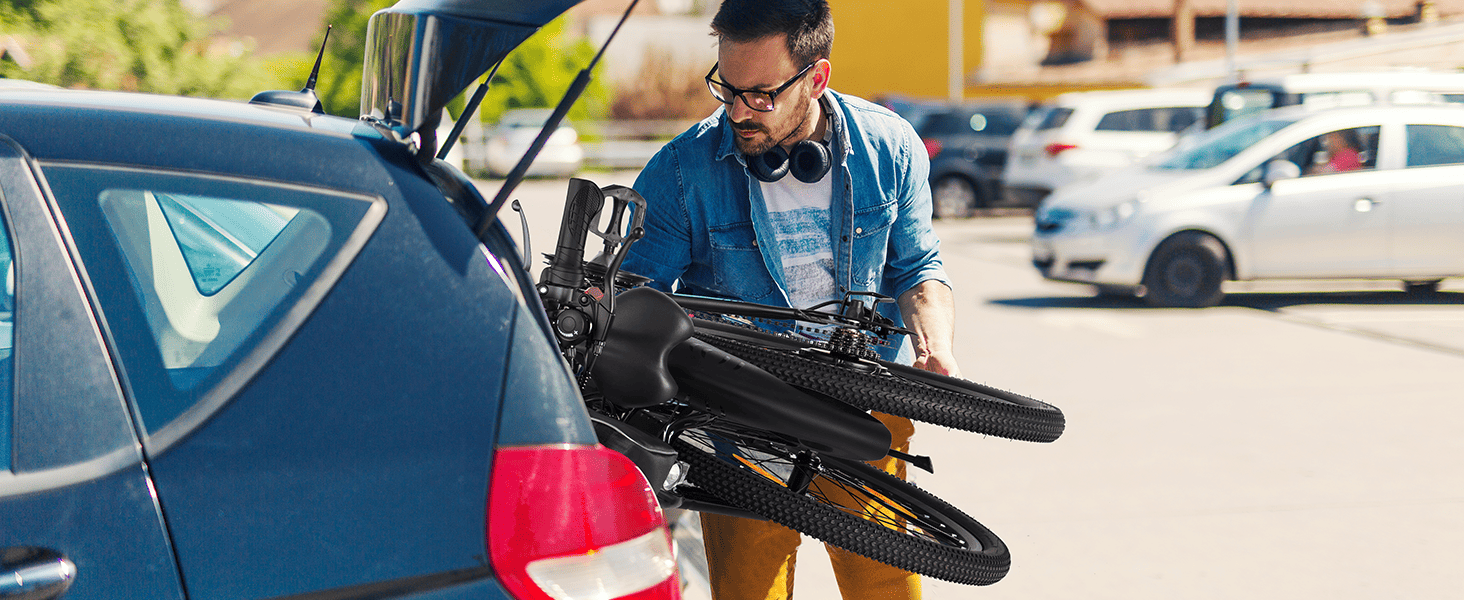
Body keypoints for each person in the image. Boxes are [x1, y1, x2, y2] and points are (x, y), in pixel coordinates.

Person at [620, 1, 958, 598]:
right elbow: (633, 297)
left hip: (863, 408)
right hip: (736, 420)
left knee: (886, 587)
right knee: (752, 590)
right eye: (726, 89)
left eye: (762, 95)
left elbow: (918, 269)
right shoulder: (681, 171)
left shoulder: (891, 149)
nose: (738, 112)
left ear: (817, 78)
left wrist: (935, 347)